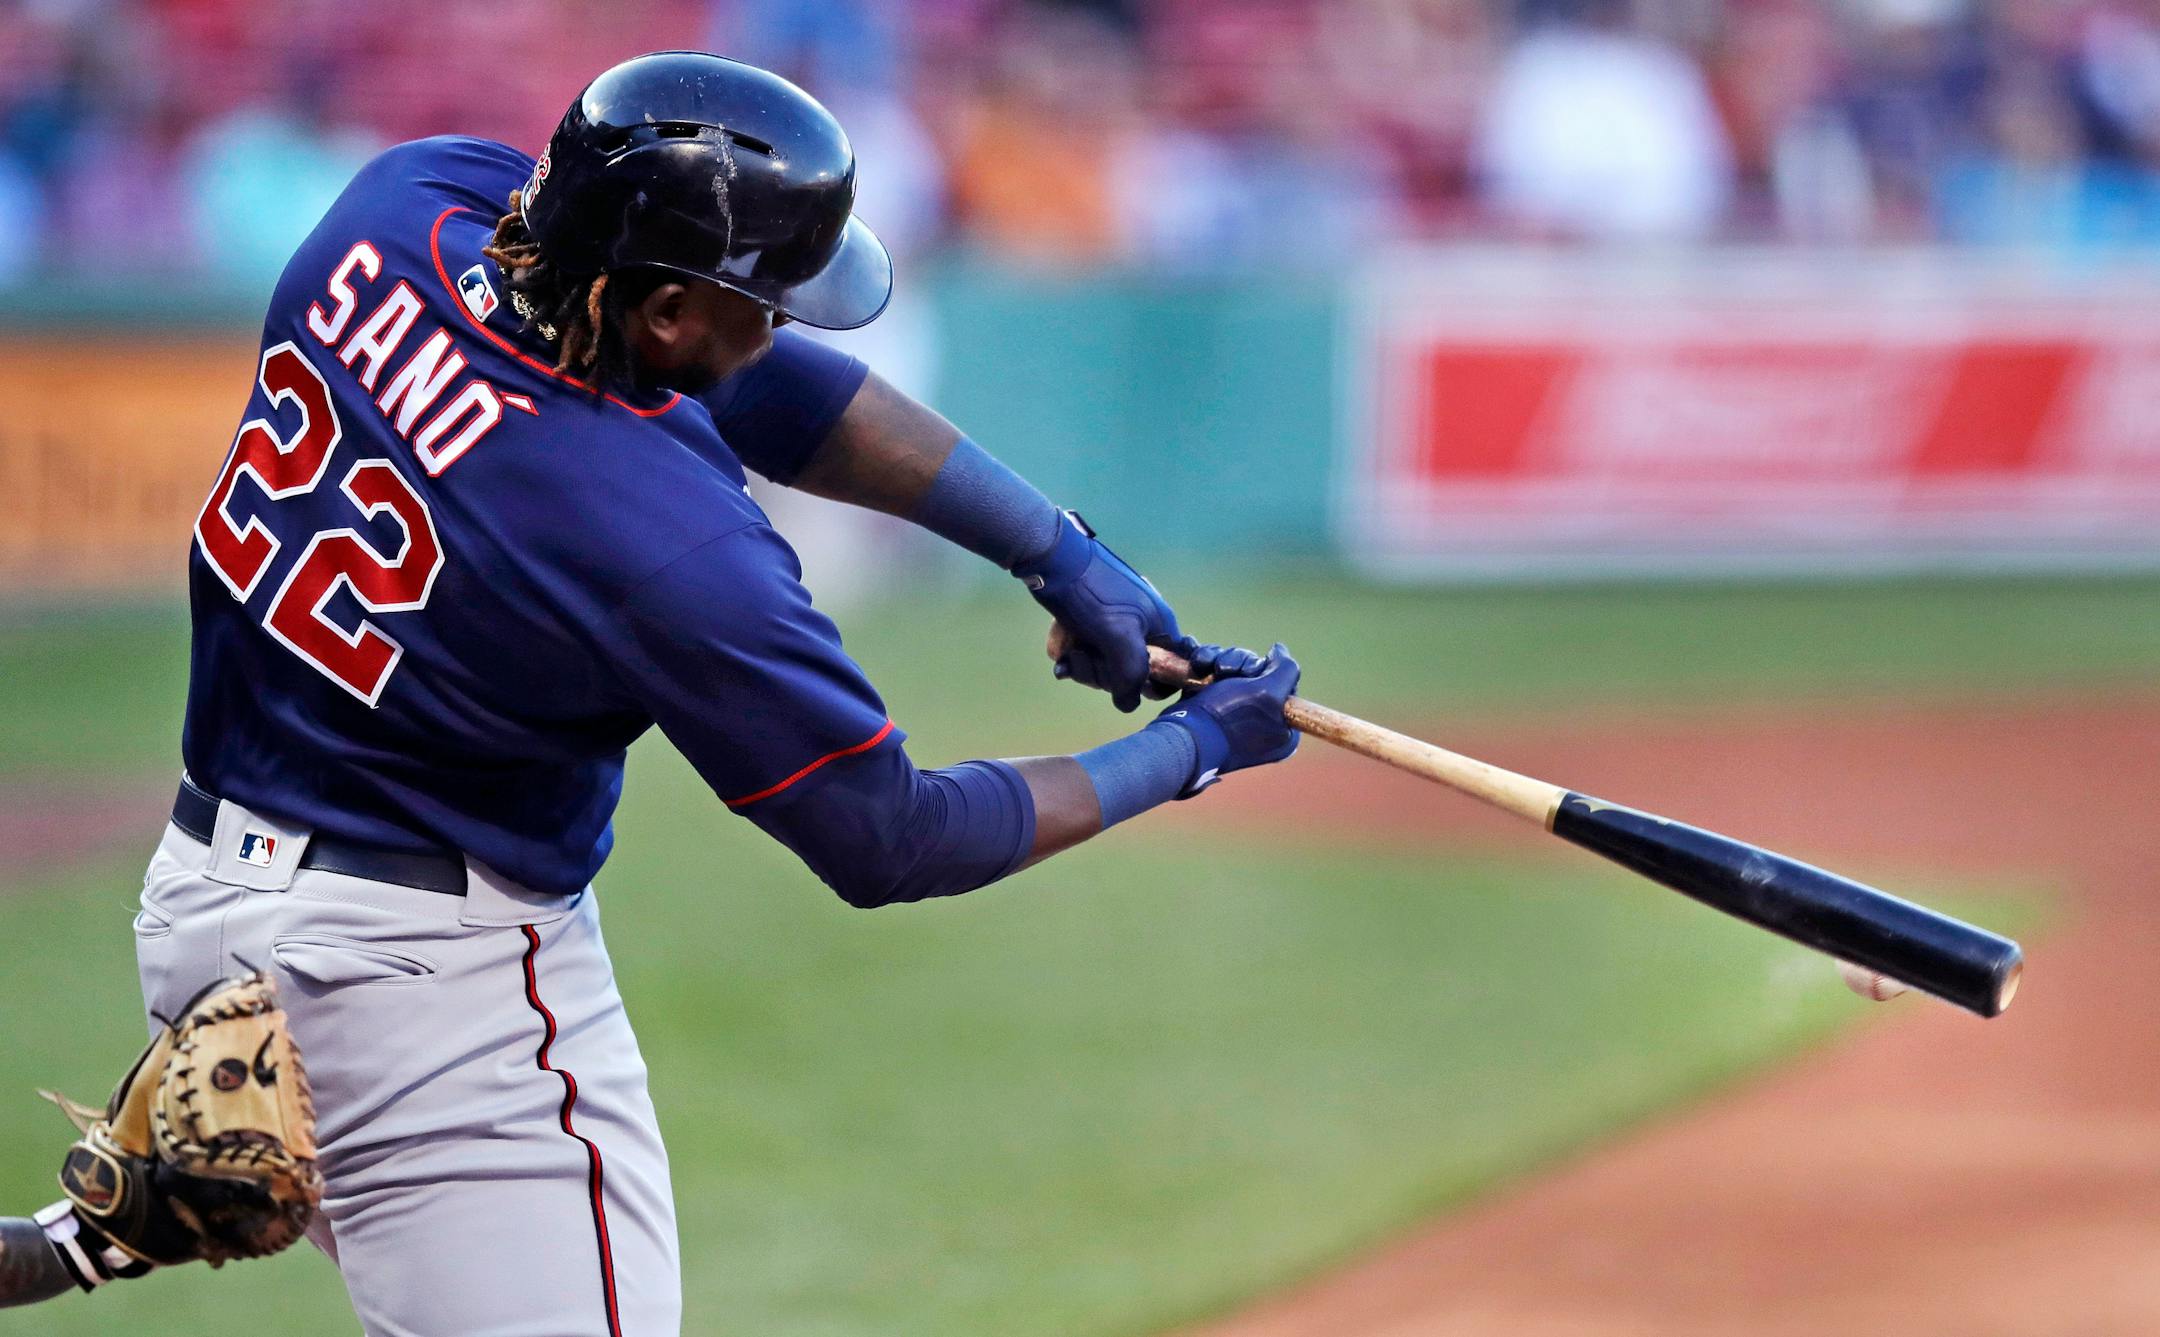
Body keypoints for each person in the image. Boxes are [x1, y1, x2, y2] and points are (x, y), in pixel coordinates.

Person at [7, 50, 1301, 1333]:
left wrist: (1052, 546)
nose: (784, 322)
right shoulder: (667, 540)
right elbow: (890, 836)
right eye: (764, 298)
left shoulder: (407, 204)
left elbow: (764, 382)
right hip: (423, 989)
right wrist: (1190, 749)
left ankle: (86, 1237)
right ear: (670, 314)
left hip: (205, 907)